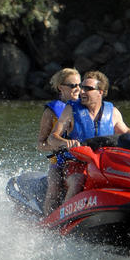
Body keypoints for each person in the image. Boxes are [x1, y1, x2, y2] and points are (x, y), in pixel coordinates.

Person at [49, 70, 130, 202]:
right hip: (75, 165)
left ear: (100, 92)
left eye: (88, 89)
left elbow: (127, 133)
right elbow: (52, 138)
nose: (82, 91)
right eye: (82, 87)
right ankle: (64, 218)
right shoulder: (71, 110)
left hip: (104, 165)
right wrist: (65, 142)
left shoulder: (112, 112)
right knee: (78, 180)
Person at [36, 67, 82, 215]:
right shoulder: (51, 111)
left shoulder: (85, 107)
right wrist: (60, 144)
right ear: (61, 87)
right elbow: (40, 144)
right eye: (72, 85)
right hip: (59, 162)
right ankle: (48, 221)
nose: (77, 89)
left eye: (79, 85)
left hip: (83, 159)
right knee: (55, 186)